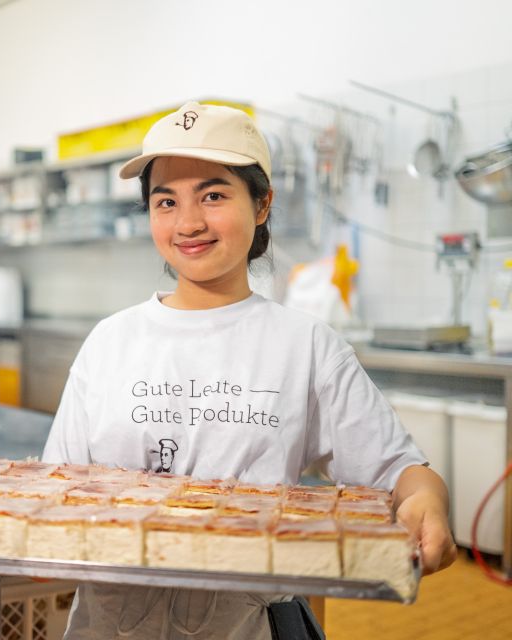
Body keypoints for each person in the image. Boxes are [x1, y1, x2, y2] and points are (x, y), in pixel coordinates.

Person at [42, 101, 456, 639]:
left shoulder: (304, 346)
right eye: (165, 201)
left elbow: (401, 472)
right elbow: (55, 490)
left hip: (243, 625)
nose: (188, 223)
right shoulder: (111, 341)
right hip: (111, 626)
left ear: (261, 205)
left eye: (213, 195)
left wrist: (427, 499)